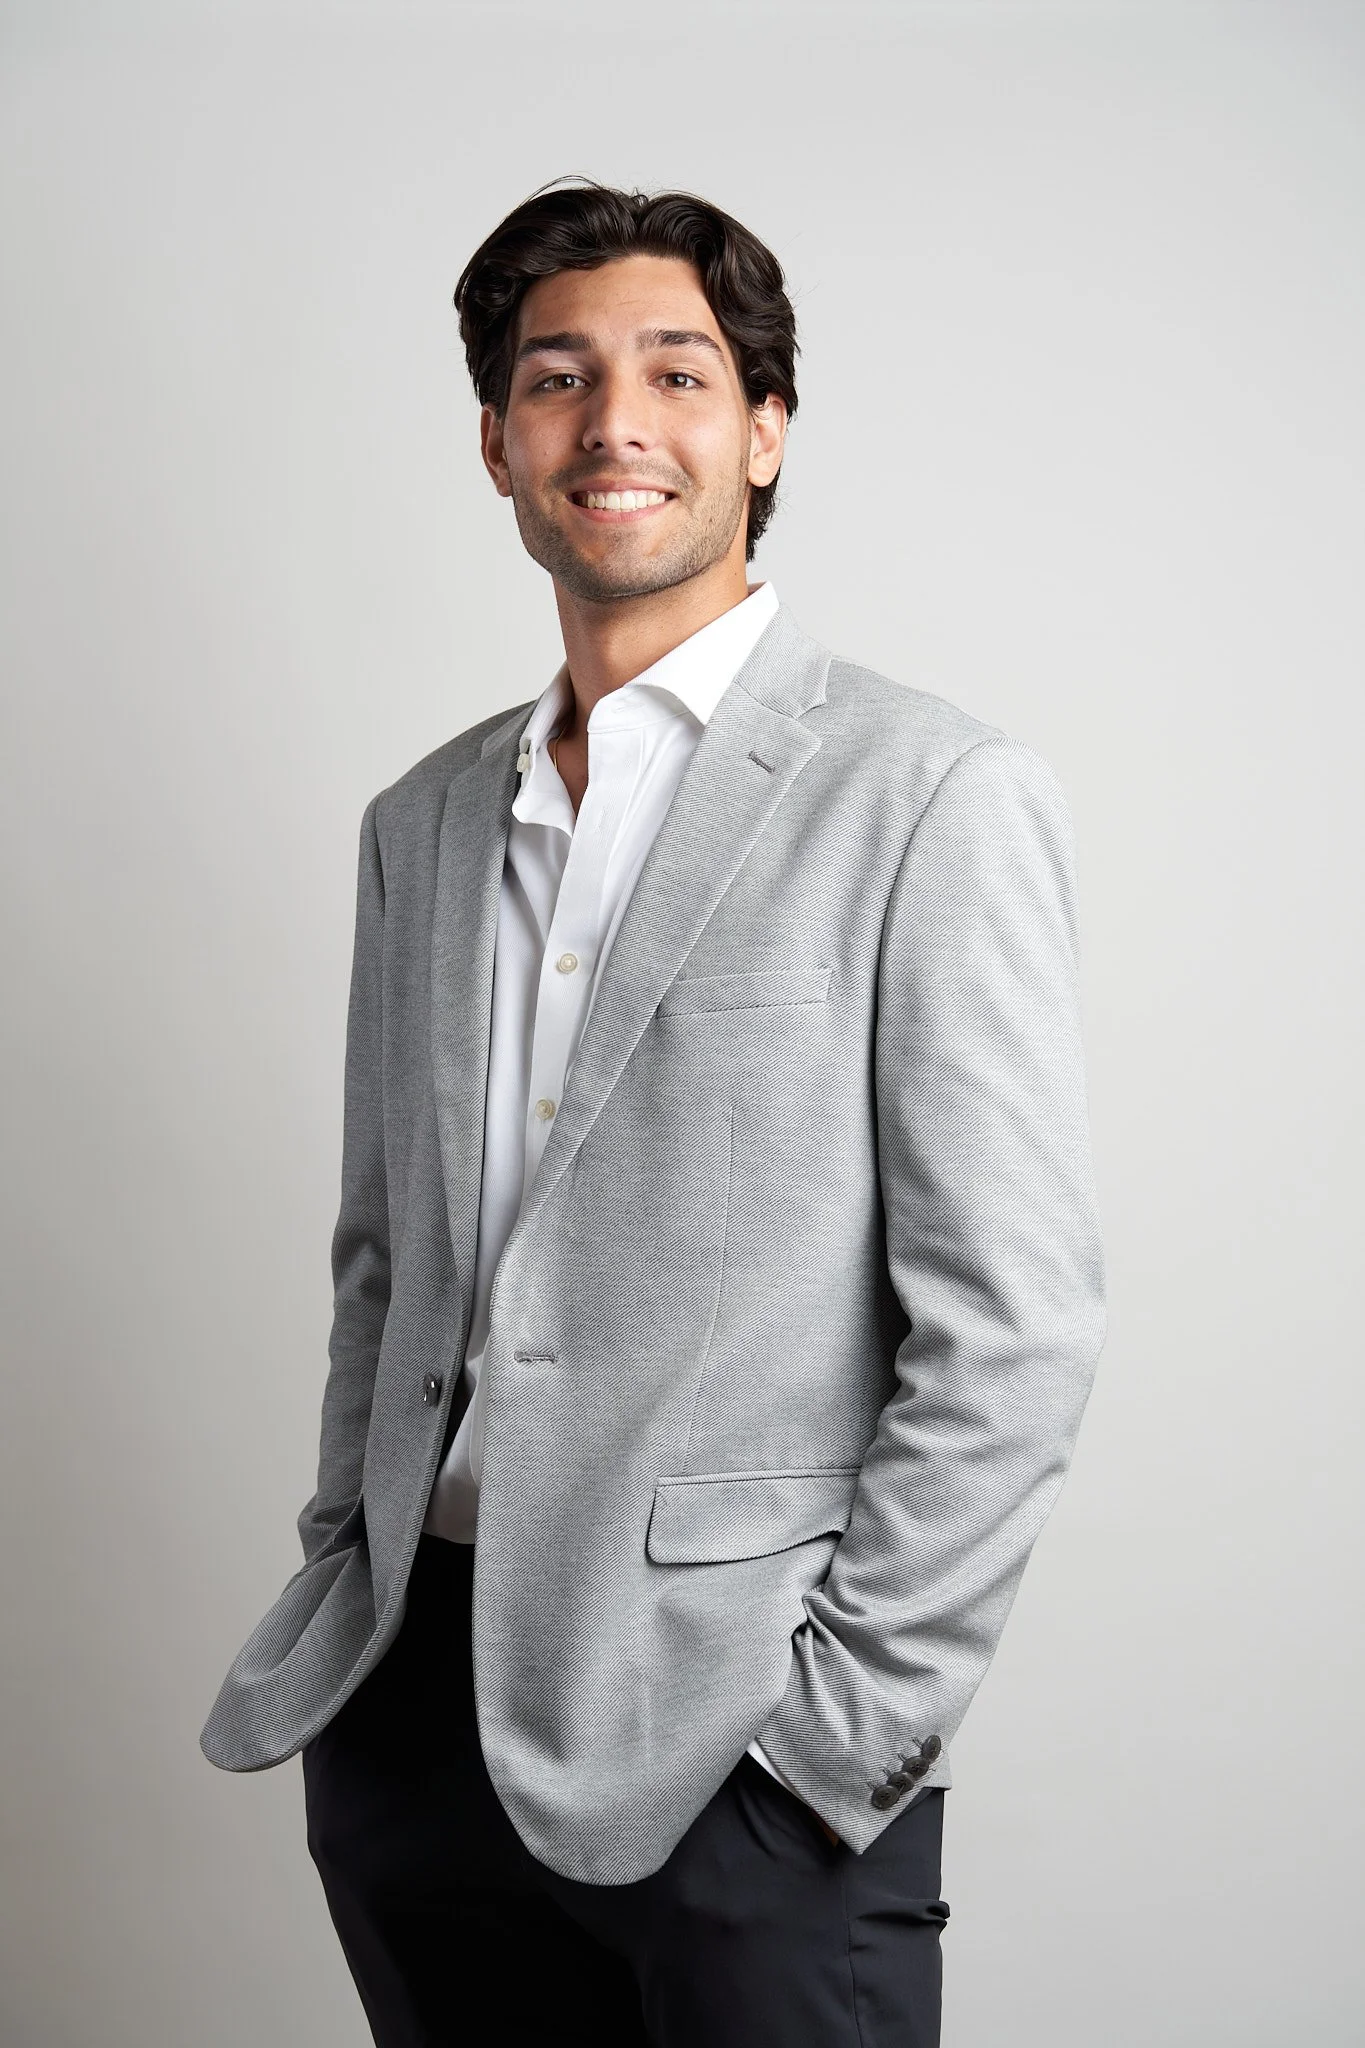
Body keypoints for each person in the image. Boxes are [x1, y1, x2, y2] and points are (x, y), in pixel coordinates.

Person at [200, 177, 1107, 2047]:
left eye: (678, 372)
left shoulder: (929, 795)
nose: (615, 421)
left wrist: (835, 1745)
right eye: (559, 378)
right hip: (413, 1722)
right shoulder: (423, 825)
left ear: (763, 432)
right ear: (497, 442)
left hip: (735, 1752)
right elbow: (388, 1264)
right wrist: (346, 1575)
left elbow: (1013, 1331)